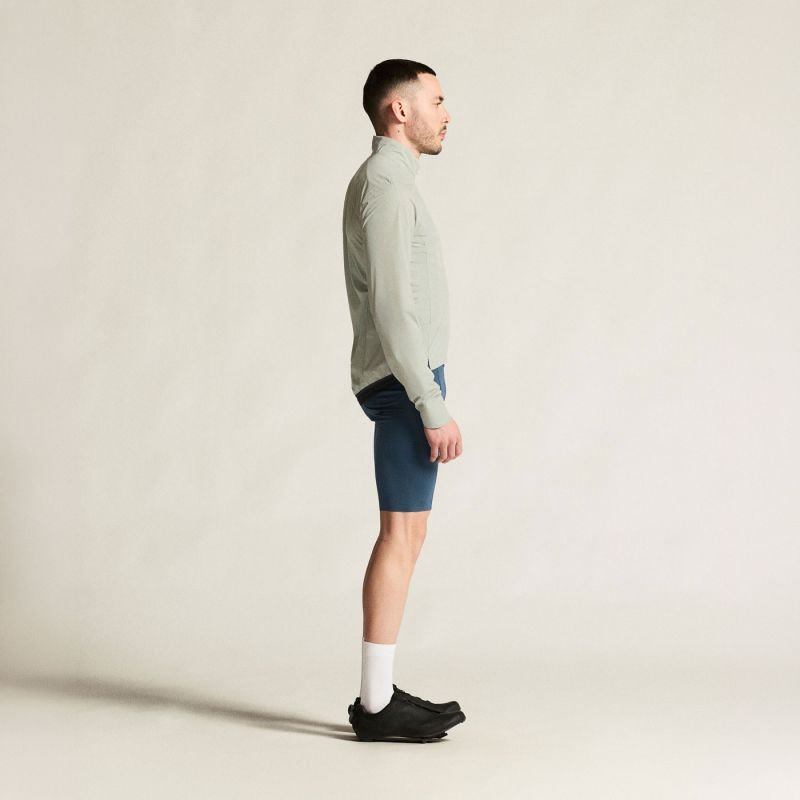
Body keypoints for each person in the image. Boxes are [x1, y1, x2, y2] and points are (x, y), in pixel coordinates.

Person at [341, 59, 467, 742]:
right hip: (403, 381)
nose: (446, 113)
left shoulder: (391, 182)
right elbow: (392, 307)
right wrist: (430, 401)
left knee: (408, 534)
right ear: (400, 110)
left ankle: (379, 694)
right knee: (399, 535)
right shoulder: (386, 185)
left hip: (405, 377)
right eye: (437, 100)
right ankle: (375, 705)